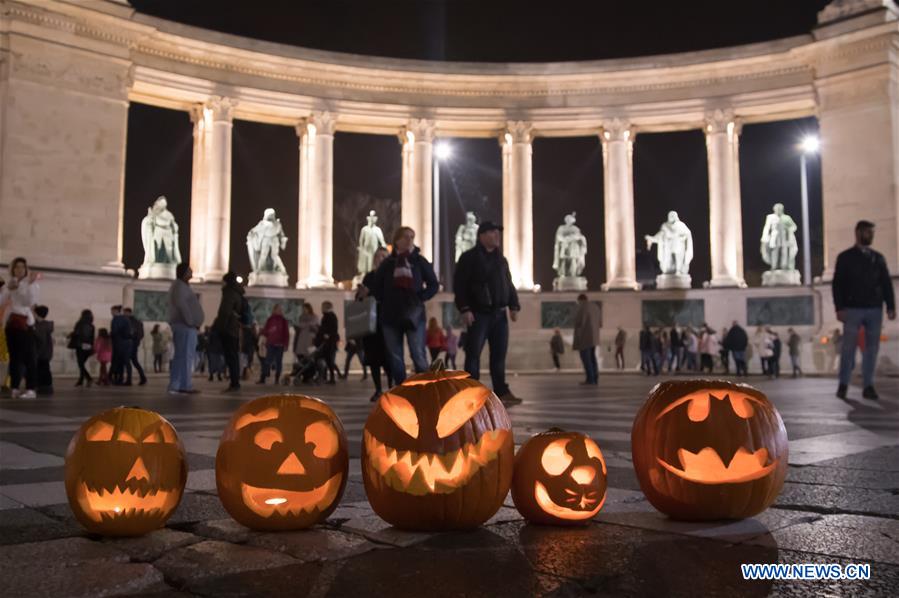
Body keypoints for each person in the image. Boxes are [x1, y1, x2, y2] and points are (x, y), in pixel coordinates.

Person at [453, 221, 521, 404]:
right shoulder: (468, 258)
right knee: (473, 353)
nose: (497, 235)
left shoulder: (501, 259)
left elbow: (509, 283)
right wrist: (464, 308)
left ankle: (501, 390)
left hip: (500, 314)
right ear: (481, 236)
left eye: (497, 232)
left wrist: (514, 305)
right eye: (492, 232)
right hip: (478, 313)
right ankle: (471, 391)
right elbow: (459, 286)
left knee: (499, 355)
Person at [832, 220, 896, 400]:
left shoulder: (878, 257)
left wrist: (890, 306)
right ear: (858, 233)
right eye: (868, 233)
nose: (871, 236)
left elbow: (886, 283)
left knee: (871, 349)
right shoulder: (845, 257)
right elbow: (837, 285)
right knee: (848, 349)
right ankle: (843, 383)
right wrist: (839, 308)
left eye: (872, 233)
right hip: (852, 309)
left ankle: (868, 385)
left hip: (875, 308)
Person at [369, 226, 438, 384]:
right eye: (405, 237)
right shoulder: (388, 263)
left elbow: (433, 284)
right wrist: (386, 300)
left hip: (414, 314)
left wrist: (420, 297)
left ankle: (426, 388)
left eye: (412, 237)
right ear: (397, 240)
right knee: (395, 356)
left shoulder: (419, 261)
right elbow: (376, 286)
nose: (409, 240)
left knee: (418, 353)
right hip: (390, 315)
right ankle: (402, 390)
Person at [0, 258, 39, 399]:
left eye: (22, 267)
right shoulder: (10, 283)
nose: (20, 269)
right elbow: (1, 302)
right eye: (17, 267)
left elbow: (30, 302)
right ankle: (15, 387)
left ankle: (31, 389)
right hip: (11, 324)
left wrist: (28, 285)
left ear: (26, 269)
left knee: (29, 357)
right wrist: (7, 290)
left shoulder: (31, 283)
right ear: (13, 269)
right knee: (14, 357)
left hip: (25, 323)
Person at [358, 246, 392, 401]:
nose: (381, 259)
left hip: (387, 321)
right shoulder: (369, 276)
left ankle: (392, 388)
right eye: (378, 256)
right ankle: (378, 389)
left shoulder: (392, 275)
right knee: (373, 359)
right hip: (371, 324)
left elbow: (389, 296)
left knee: (389, 357)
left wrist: (370, 294)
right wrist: (361, 294)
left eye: (384, 256)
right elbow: (360, 299)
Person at [168, 263, 205, 394]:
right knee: (185, 356)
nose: (192, 272)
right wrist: (191, 322)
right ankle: (183, 385)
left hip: (185, 326)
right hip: (185, 326)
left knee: (183, 356)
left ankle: (179, 384)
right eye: (189, 271)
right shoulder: (180, 287)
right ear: (183, 272)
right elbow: (182, 306)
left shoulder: (181, 286)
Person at [213, 271, 245, 392]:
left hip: (228, 329)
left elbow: (224, 312)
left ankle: (234, 382)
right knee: (234, 357)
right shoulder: (238, 293)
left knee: (231, 356)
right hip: (234, 329)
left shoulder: (229, 293)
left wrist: (219, 327)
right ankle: (235, 381)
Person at [572, 294, 601, 385]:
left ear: (580, 300)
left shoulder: (583, 308)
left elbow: (579, 323)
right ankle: (595, 378)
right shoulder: (595, 307)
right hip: (594, 338)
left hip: (585, 338)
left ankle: (590, 379)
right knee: (593, 358)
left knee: (586, 359)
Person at [258, 304, 290, 385]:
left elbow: (286, 333)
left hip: (280, 344)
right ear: (274, 310)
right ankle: (263, 378)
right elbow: (266, 330)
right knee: (267, 361)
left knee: (278, 362)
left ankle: (277, 379)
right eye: (278, 309)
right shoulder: (270, 319)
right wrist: (262, 332)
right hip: (271, 343)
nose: (280, 311)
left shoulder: (284, 320)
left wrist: (286, 344)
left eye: (281, 309)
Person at [315, 301, 339, 384]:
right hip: (328, 342)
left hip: (329, 342)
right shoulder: (327, 316)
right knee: (327, 360)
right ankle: (326, 377)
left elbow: (332, 329)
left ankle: (330, 377)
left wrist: (327, 334)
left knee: (329, 360)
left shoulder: (330, 316)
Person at [71, 309, 95, 387]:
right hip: (88, 346)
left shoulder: (79, 324)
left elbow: (76, 333)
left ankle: (88, 378)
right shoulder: (92, 326)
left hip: (80, 345)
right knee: (82, 363)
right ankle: (81, 380)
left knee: (80, 364)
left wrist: (71, 335)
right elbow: (92, 337)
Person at [33, 305, 54, 395]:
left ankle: (44, 387)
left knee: (42, 369)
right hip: (46, 351)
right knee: (44, 369)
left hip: (41, 352)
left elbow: (40, 340)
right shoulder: (46, 325)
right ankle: (45, 386)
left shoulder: (40, 326)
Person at [123, 307, 147, 385]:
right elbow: (141, 334)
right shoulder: (138, 322)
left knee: (128, 361)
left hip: (130, 344)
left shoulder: (129, 322)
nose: (124, 314)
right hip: (135, 344)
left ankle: (129, 380)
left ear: (128, 313)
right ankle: (143, 377)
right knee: (135, 361)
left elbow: (130, 333)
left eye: (125, 313)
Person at [109, 305, 132, 385]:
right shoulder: (125, 319)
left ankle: (120, 379)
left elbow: (114, 331)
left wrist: (110, 335)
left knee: (120, 362)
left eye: (112, 311)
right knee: (125, 362)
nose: (111, 312)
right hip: (127, 343)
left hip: (119, 343)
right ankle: (127, 379)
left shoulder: (116, 319)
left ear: (116, 311)